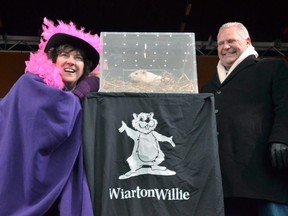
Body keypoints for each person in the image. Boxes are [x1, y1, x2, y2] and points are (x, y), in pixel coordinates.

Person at [0, 17, 102, 215]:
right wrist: (85, 88)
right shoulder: (30, 83)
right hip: (23, 189)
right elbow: (58, 120)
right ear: (53, 60)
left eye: (79, 58)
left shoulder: (84, 100)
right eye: (65, 55)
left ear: (85, 68)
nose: (72, 61)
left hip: (60, 190)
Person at [201, 22, 288, 216]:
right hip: (226, 180)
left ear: (247, 41)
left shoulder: (272, 68)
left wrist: (282, 137)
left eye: (231, 41)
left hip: (265, 174)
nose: (225, 47)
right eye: (221, 43)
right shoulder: (209, 87)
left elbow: (285, 104)